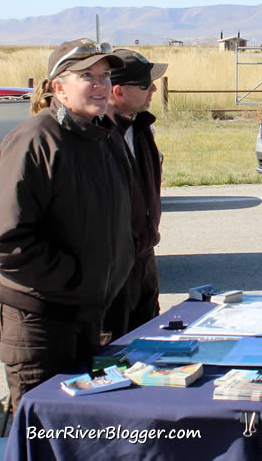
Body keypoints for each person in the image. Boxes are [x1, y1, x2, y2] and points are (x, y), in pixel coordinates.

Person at [0, 38, 136, 410]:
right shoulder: (34, 142)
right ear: (58, 87)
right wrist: (76, 278)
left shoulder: (106, 139)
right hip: (40, 326)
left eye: (104, 75)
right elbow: (5, 242)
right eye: (88, 76)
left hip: (90, 320)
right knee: (46, 440)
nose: (100, 85)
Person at [101, 49, 168, 340]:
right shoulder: (95, 135)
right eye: (144, 84)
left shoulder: (140, 127)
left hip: (143, 260)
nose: (153, 88)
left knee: (149, 343)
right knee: (112, 351)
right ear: (118, 91)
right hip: (111, 271)